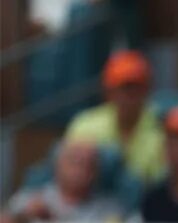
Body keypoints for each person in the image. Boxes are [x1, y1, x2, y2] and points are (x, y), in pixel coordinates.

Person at [64, 51, 165, 184]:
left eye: (136, 87)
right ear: (109, 92)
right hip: (91, 198)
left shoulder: (162, 128)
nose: (130, 95)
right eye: (124, 88)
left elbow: (163, 183)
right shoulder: (86, 124)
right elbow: (67, 173)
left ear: (147, 90)